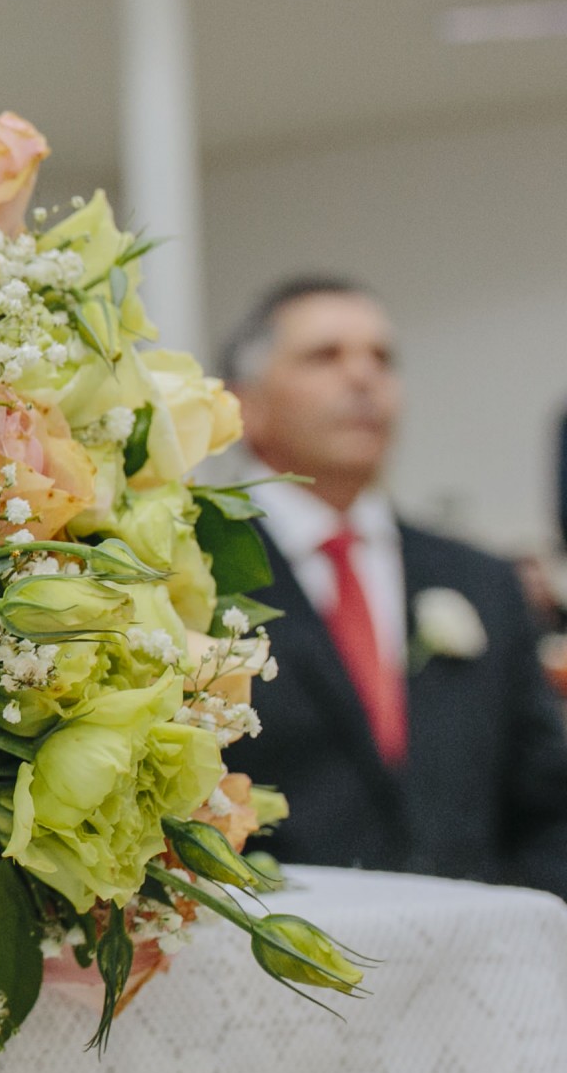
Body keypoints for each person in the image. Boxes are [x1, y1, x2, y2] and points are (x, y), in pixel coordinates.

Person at [219, 276, 567, 896]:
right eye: (325, 356)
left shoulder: (480, 581)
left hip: (480, 957)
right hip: (270, 954)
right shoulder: (193, 570)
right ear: (247, 405)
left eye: (382, 358)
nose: (363, 378)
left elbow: (545, 803)